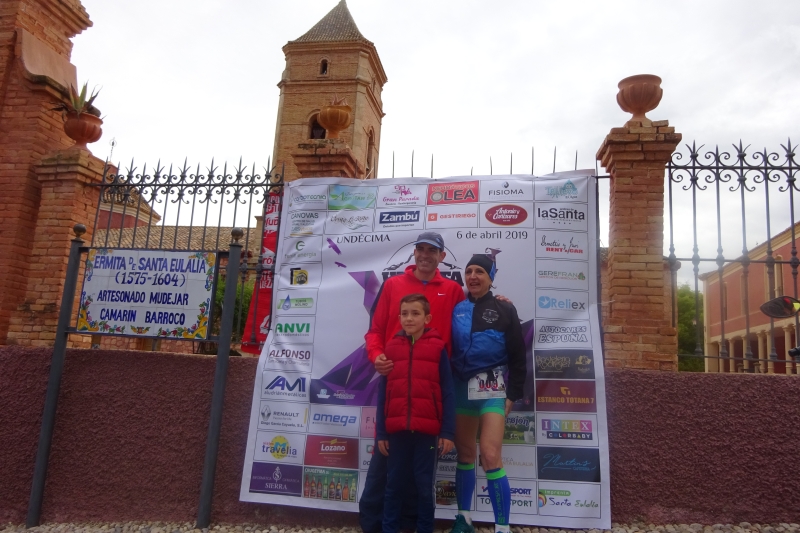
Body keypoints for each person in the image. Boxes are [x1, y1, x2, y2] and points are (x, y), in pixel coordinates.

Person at [359, 231, 465, 533]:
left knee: (421, 478)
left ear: (441, 256)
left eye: (432, 250)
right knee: (384, 469)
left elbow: (471, 317)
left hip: (429, 394)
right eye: (421, 249)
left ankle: (412, 525)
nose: (425, 255)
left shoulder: (453, 290)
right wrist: (377, 356)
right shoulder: (393, 285)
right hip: (396, 391)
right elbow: (374, 330)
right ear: (414, 253)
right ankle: (373, 525)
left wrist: (498, 303)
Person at [448, 254, 526, 533]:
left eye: (480, 271)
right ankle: (463, 519)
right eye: (469, 271)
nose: (473, 276)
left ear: (491, 278)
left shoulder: (505, 308)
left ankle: (502, 528)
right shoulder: (456, 308)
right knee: (465, 453)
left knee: (491, 455)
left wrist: (512, 395)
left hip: (492, 389)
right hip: (461, 387)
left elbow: (518, 357)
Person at [376, 293, 456, 533]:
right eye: (404, 314)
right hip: (397, 431)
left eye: (415, 313)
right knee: (393, 485)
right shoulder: (391, 348)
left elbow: (448, 391)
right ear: (399, 317)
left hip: (427, 433)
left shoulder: (438, 348)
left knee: (424, 486)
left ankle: (424, 529)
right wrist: (381, 432)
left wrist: (448, 432)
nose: (409, 318)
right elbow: (383, 393)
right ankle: (389, 529)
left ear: (427, 318)